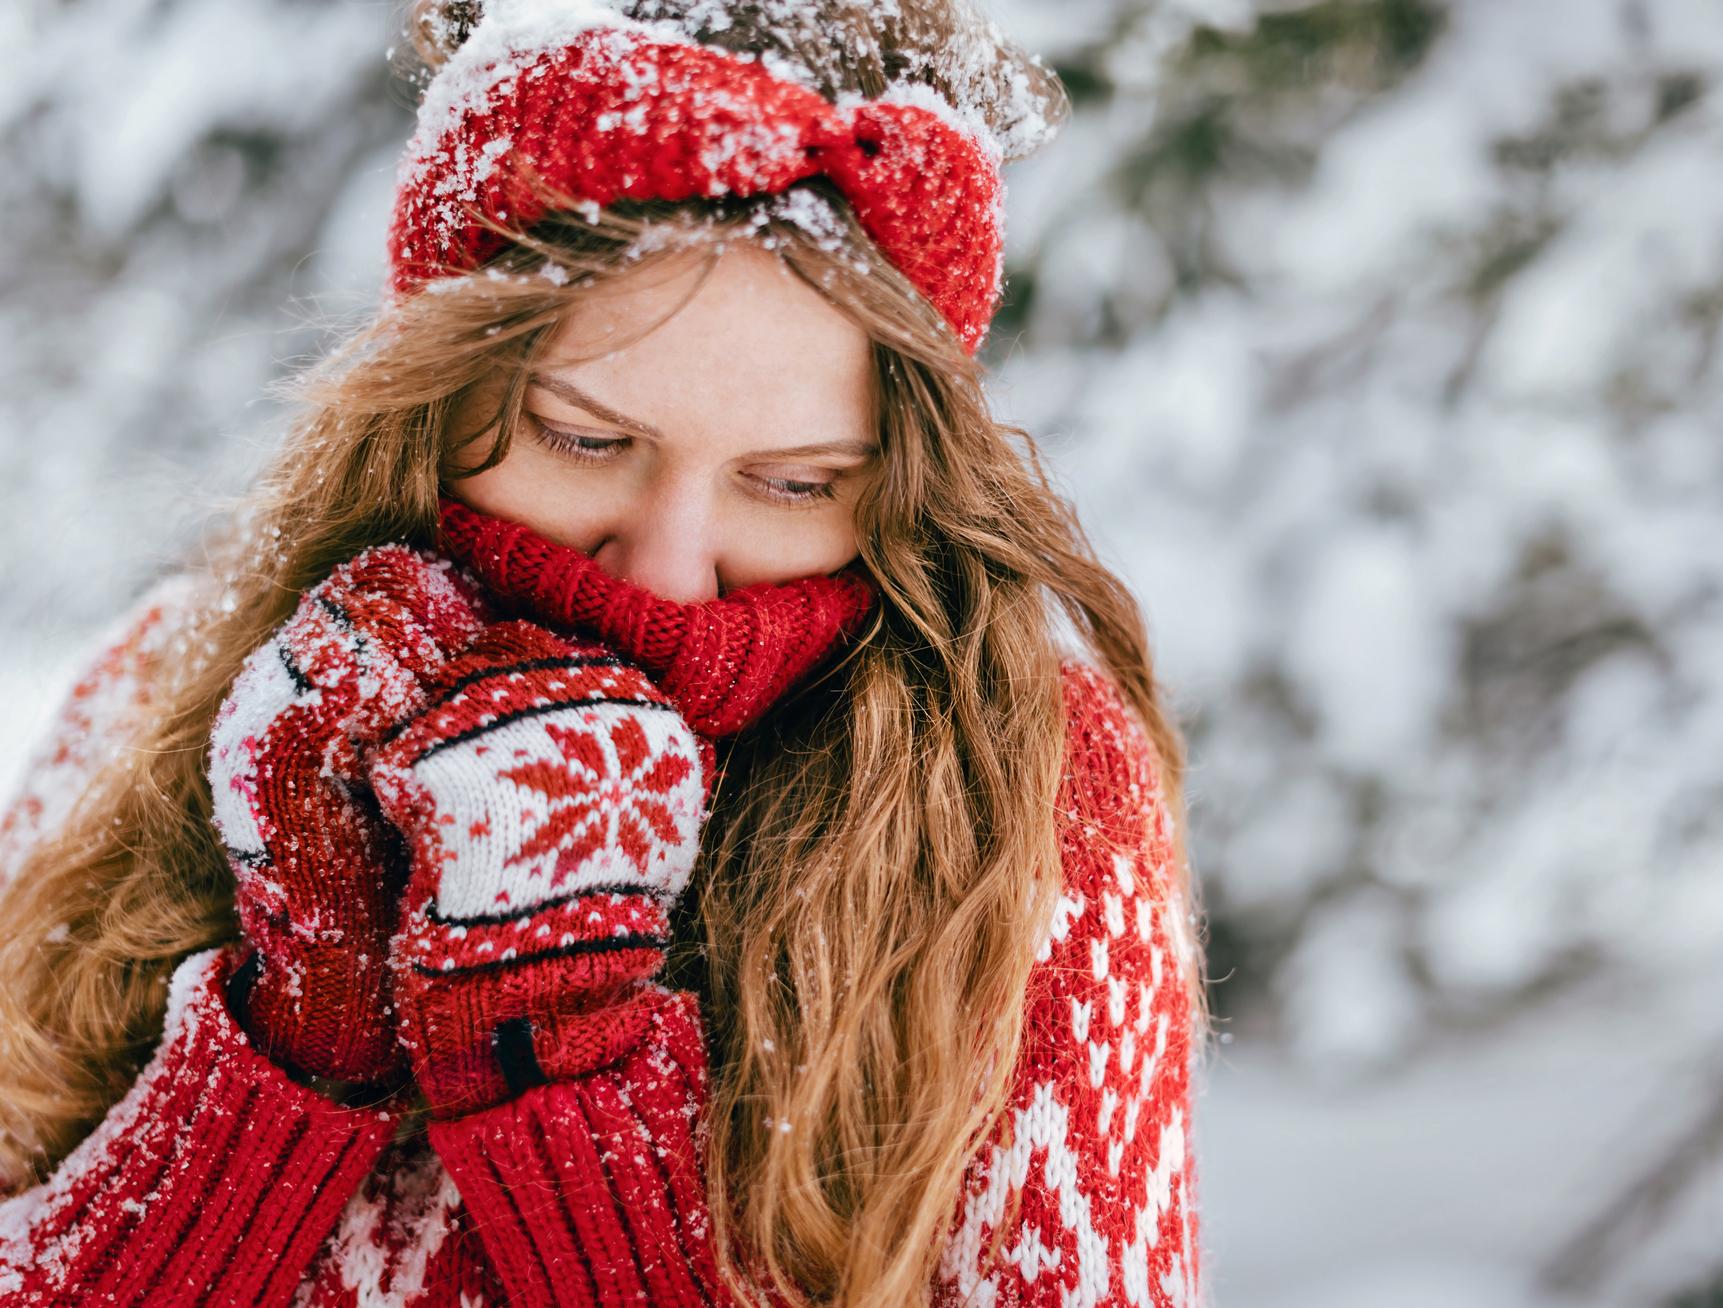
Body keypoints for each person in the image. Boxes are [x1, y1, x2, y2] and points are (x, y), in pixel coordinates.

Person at [0, 1, 1211, 1304]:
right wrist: (295, 1037)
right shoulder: (170, 687)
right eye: (587, 440)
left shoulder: (1030, 791)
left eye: (795, 484)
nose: (672, 570)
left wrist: (558, 1079)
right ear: (430, 394)